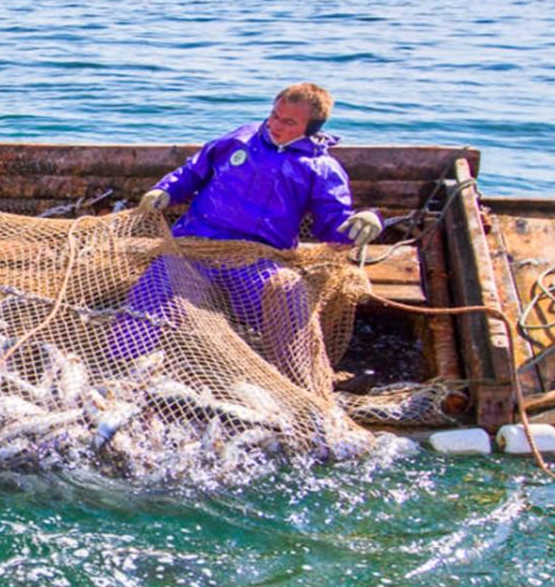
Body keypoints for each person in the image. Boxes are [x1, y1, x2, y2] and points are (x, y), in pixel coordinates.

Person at [109, 83, 381, 390]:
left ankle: (302, 385)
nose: (275, 125)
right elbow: (193, 172)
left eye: (289, 122)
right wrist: (166, 190)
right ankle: (121, 366)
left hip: (257, 260)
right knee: (159, 283)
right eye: (274, 115)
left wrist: (363, 220)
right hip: (195, 246)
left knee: (288, 289)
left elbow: (331, 226)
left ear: (311, 128)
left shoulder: (321, 168)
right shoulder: (240, 139)